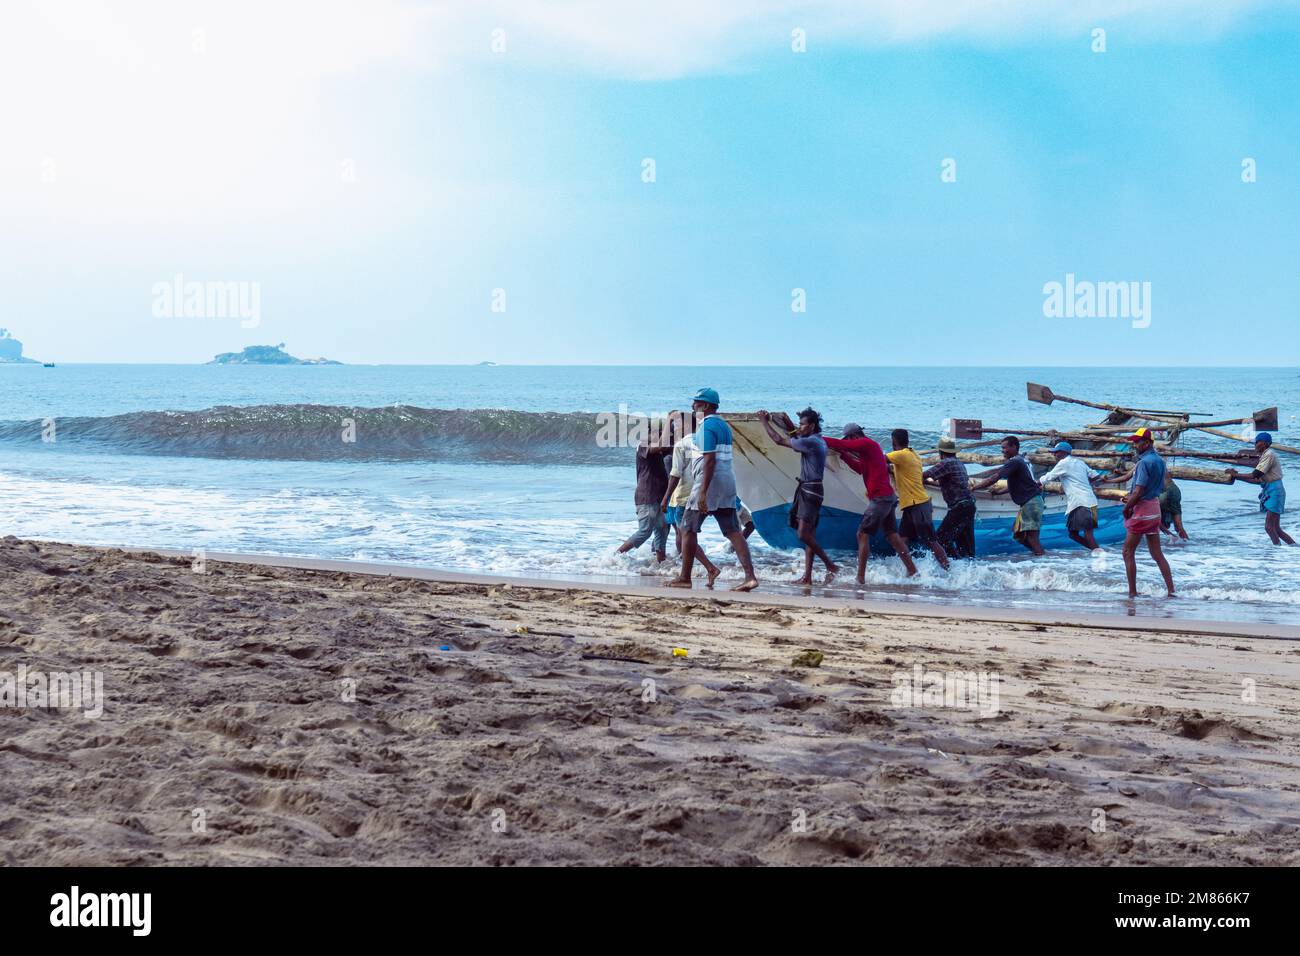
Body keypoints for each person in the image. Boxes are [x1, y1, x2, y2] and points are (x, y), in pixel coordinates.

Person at [666, 388, 759, 591]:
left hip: (709, 482)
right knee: (734, 531)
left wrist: (702, 493)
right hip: (727, 481)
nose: (693, 406)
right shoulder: (724, 426)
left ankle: (685, 578)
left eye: (697, 403)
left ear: (706, 406)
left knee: (687, 529)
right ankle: (750, 577)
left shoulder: (707, 426)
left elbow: (709, 460)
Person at [823, 423, 918, 583]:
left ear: (854, 436)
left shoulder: (867, 443)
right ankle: (913, 571)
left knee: (862, 534)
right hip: (888, 497)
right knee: (893, 536)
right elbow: (860, 468)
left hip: (880, 498)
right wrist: (844, 455)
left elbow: (841, 444)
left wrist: (816, 437)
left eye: (849, 439)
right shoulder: (870, 449)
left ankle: (860, 578)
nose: (849, 442)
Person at [758, 407, 839, 584]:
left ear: (811, 426)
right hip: (812, 489)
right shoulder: (817, 440)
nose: (800, 427)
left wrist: (763, 421)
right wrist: (789, 423)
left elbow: (779, 440)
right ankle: (807, 577)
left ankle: (830, 565)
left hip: (809, 491)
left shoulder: (811, 442)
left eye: (802, 424)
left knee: (803, 534)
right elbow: (796, 436)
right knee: (810, 534)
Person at [660, 411, 722, 586]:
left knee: (685, 536)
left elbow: (675, 474)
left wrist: (665, 498)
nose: (675, 428)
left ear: (687, 425)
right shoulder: (703, 441)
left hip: (682, 496)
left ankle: (707, 569)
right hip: (698, 493)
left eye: (677, 424)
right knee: (683, 536)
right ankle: (687, 572)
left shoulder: (682, 444)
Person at [1118, 427, 1176, 597]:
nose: (1135, 445)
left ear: (1149, 442)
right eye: (1134, 442)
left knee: (1127, 552)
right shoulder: (1159, 460)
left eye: (1138, 442)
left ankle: (1132, 593)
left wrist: (1126, 508)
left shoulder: (1143, 462)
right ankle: (1171, 590)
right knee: (1157, 554)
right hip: (1154, 508)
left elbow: (1138, 491)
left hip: (1142, 510)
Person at [969, 436, 1045, 556]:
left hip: (1031, 503)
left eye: (1004, 448)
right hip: (1030, 503)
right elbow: (1017, 485)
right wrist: (999, 492)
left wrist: (975, 487)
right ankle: (1040, 556)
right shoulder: (1020, 460)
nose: (1002, 451)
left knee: (1031, 538)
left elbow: (995, 477)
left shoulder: (1014, 462)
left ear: (1014, 446)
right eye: (1001, 448)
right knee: (1018, 535)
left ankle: (1041, 559)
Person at [887, 428, 949, 569]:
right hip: (911, 505)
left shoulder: (901, 455)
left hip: (918, 504)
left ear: (894, 441)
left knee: (931, 541)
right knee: (902, 540)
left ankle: (948, 570)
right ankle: (907, 570)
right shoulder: (912, 453)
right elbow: (895, 469)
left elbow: (879, 459)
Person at [1229, 432, 1296, 546]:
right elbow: (1257, 480)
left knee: (1269, 527)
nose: (1255, 445)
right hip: (1272, 489)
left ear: (1264, 444)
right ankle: (1294, 547)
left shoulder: (1269, 455)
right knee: (1276, 528)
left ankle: (1277, 550)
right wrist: (1237, 477)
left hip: (1275, 491)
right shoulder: (1265, 455)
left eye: (1257, 442)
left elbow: (1255, 474)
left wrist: (1235, 475)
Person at [1036, 440, 1104, 551]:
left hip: (1083, 502)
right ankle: (1097, 552)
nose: (1054, 454)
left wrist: (1036, 483)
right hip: (1079, 503)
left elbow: (1048, 477)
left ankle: (1099, 555)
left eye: (1056, 452)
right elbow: (1095, 475)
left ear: (1063, 452)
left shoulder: (1063, 463)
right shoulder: (1079, 462)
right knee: (1073, 534)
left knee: (1087, 534)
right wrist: (1089, 483)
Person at [617, 429, 670, 562]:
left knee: (662, 530)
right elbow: (662, 445)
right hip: (647, 496)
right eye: (657, 434)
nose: (661, 437)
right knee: (645, 531)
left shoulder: (659, 452)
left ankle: (660, 563)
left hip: (660, 497)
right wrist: (670, 420)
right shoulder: (643, 445)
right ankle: (615, 556)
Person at [922, 436, 977, 559]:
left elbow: (925, 475)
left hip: (959, 507)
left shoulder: (945, 463)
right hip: (969, 505)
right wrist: (930, 483)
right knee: (966, 547)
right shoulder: (959, 463)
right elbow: (950, 483)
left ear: (941, 452)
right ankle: (967, 572)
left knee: (941, 539)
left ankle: (952, 566)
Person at [1159, 472, 1189, 541]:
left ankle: (1171, 537)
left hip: (1166, 491)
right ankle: (1186, 543)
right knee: (1178, 526)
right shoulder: (1161, 465)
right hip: (1174, 489)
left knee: (1153, 518)